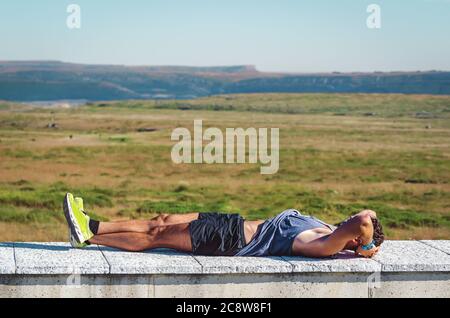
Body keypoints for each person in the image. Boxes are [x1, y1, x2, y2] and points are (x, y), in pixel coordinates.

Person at [63, 193, 384, 258]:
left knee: (156, 236)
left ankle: (88, 238)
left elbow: (364, 219)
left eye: (356, 236)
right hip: (231, 224)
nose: (348, 219)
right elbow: (366, 215)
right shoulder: (328, 230)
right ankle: (92, 223)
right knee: (159, 220)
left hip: (229, 241)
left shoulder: (327, 245)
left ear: (355, 240)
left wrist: (368, 248)